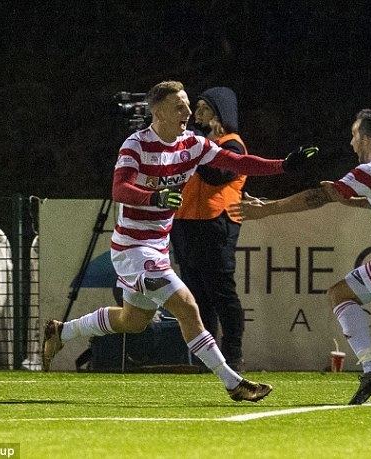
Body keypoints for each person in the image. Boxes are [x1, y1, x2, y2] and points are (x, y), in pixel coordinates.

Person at [42, 80, 317, 403]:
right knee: (187, 306)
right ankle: (233, 383)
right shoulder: (136, 145)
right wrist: (154, 196)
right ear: (157, 111)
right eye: (179, 106)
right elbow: (120, 189)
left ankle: (63, 331)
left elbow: (238, 162)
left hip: (158, 247)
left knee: (132, 321)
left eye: (187, 105)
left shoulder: (192, 144)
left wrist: (283, 165)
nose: (187, 111)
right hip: (132, 248)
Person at [233, 109, 371, 404]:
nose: (352, 144)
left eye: (354, 136)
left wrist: (266, 209)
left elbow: (318, 197)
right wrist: (351, 202)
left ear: (365, 138)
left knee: (340, 294)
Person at [170, 87, 247, 372]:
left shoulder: (232, 145)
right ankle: (210, 360)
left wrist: (195, 146)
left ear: (219, 112)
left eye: (203, 108)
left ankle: (233, 355)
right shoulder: (199, 143)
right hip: (187, 222)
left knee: (221, 293)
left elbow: (217, 175)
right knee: (198, 296)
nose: (196, 114)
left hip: (216, 222)